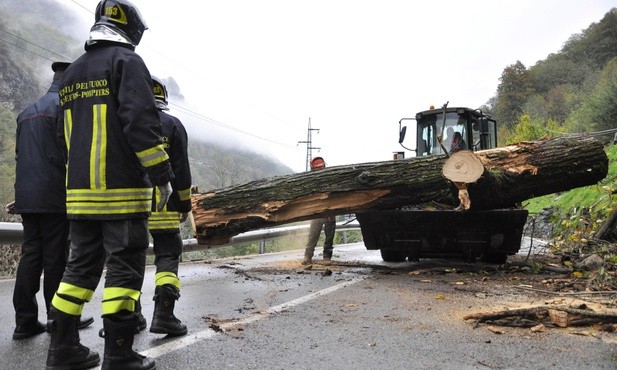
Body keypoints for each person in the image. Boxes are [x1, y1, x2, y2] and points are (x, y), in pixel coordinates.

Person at [45, 1, 173, 369]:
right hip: (120, 194)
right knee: (124, 270)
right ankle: (119, 352)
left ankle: (62, 350)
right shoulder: (127, 63)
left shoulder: (71, 74)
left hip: (80, 198)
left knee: (77, 271)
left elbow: (60, 138)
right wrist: (161, 177)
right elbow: (141, 123)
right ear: (130, 28)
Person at [9, 61, 93, 341]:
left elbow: (23, 159)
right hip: (55, 195)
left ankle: (25, 322)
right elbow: (73, 155)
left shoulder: (25, 113)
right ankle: (59, 319)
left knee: (31, 255)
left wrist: (21, 195)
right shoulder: (65, 109)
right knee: (56, 258)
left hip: (28, 196)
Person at [140, 76, 192, 337]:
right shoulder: (172, 125)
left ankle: (129, 317)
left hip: (131, 204)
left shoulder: (124, 123)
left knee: (130, 258)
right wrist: (185, 204)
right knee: (168, 254)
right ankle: (164, 314)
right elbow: (181, 168)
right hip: (165, 205)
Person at [301, 157, 336, 265]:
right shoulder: (310, 181)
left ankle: (327, 257)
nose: (319, 170)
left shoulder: (330, 178)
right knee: (313, 235)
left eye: (320, 168)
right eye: (317, 168)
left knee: (329, 236)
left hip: (329, 210)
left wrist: (330, 210)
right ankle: (308, 256)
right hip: (316, 212)